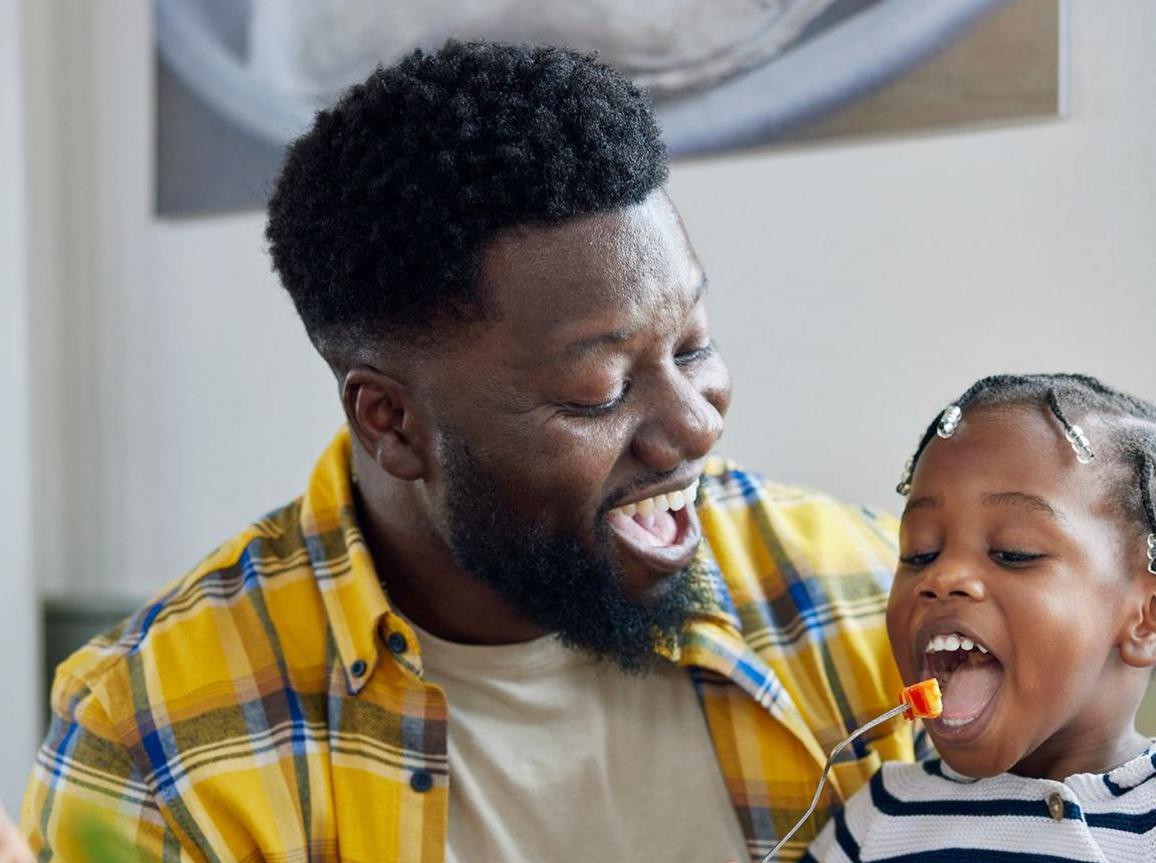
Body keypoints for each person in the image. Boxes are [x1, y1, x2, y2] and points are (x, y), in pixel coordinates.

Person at [21, 43, 918, 862]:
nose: (694, 427)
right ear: (393, 423)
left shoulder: (880, 600)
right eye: (600, 391)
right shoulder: (157, 743)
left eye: (691, 347)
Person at [806, 374, 1156, 862]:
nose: (941, 577)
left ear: (1151, 618)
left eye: (1014, 553)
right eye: (919, 553)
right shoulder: (879, 820)